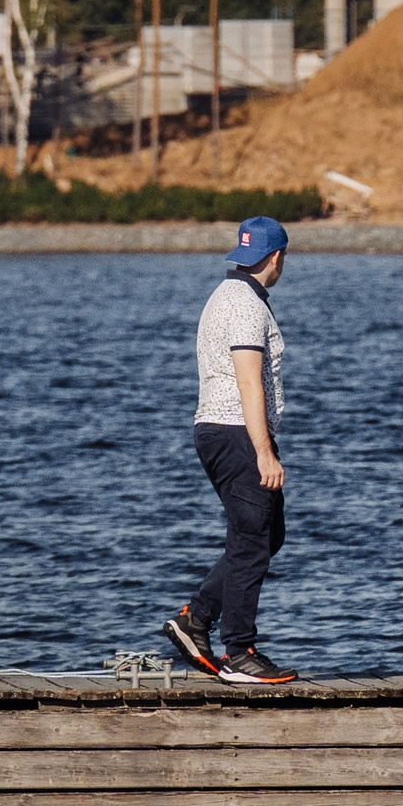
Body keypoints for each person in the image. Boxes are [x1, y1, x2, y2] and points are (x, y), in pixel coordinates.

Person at [161, 215, 300, 685]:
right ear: (277, 257)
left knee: (265, 536)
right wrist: (264, 451)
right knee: (251, 542)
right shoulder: (245, 306)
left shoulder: (230, 294)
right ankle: (239, 651)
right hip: (236, 432)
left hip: (227, 431)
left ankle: (196, 619)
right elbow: (248, 381)